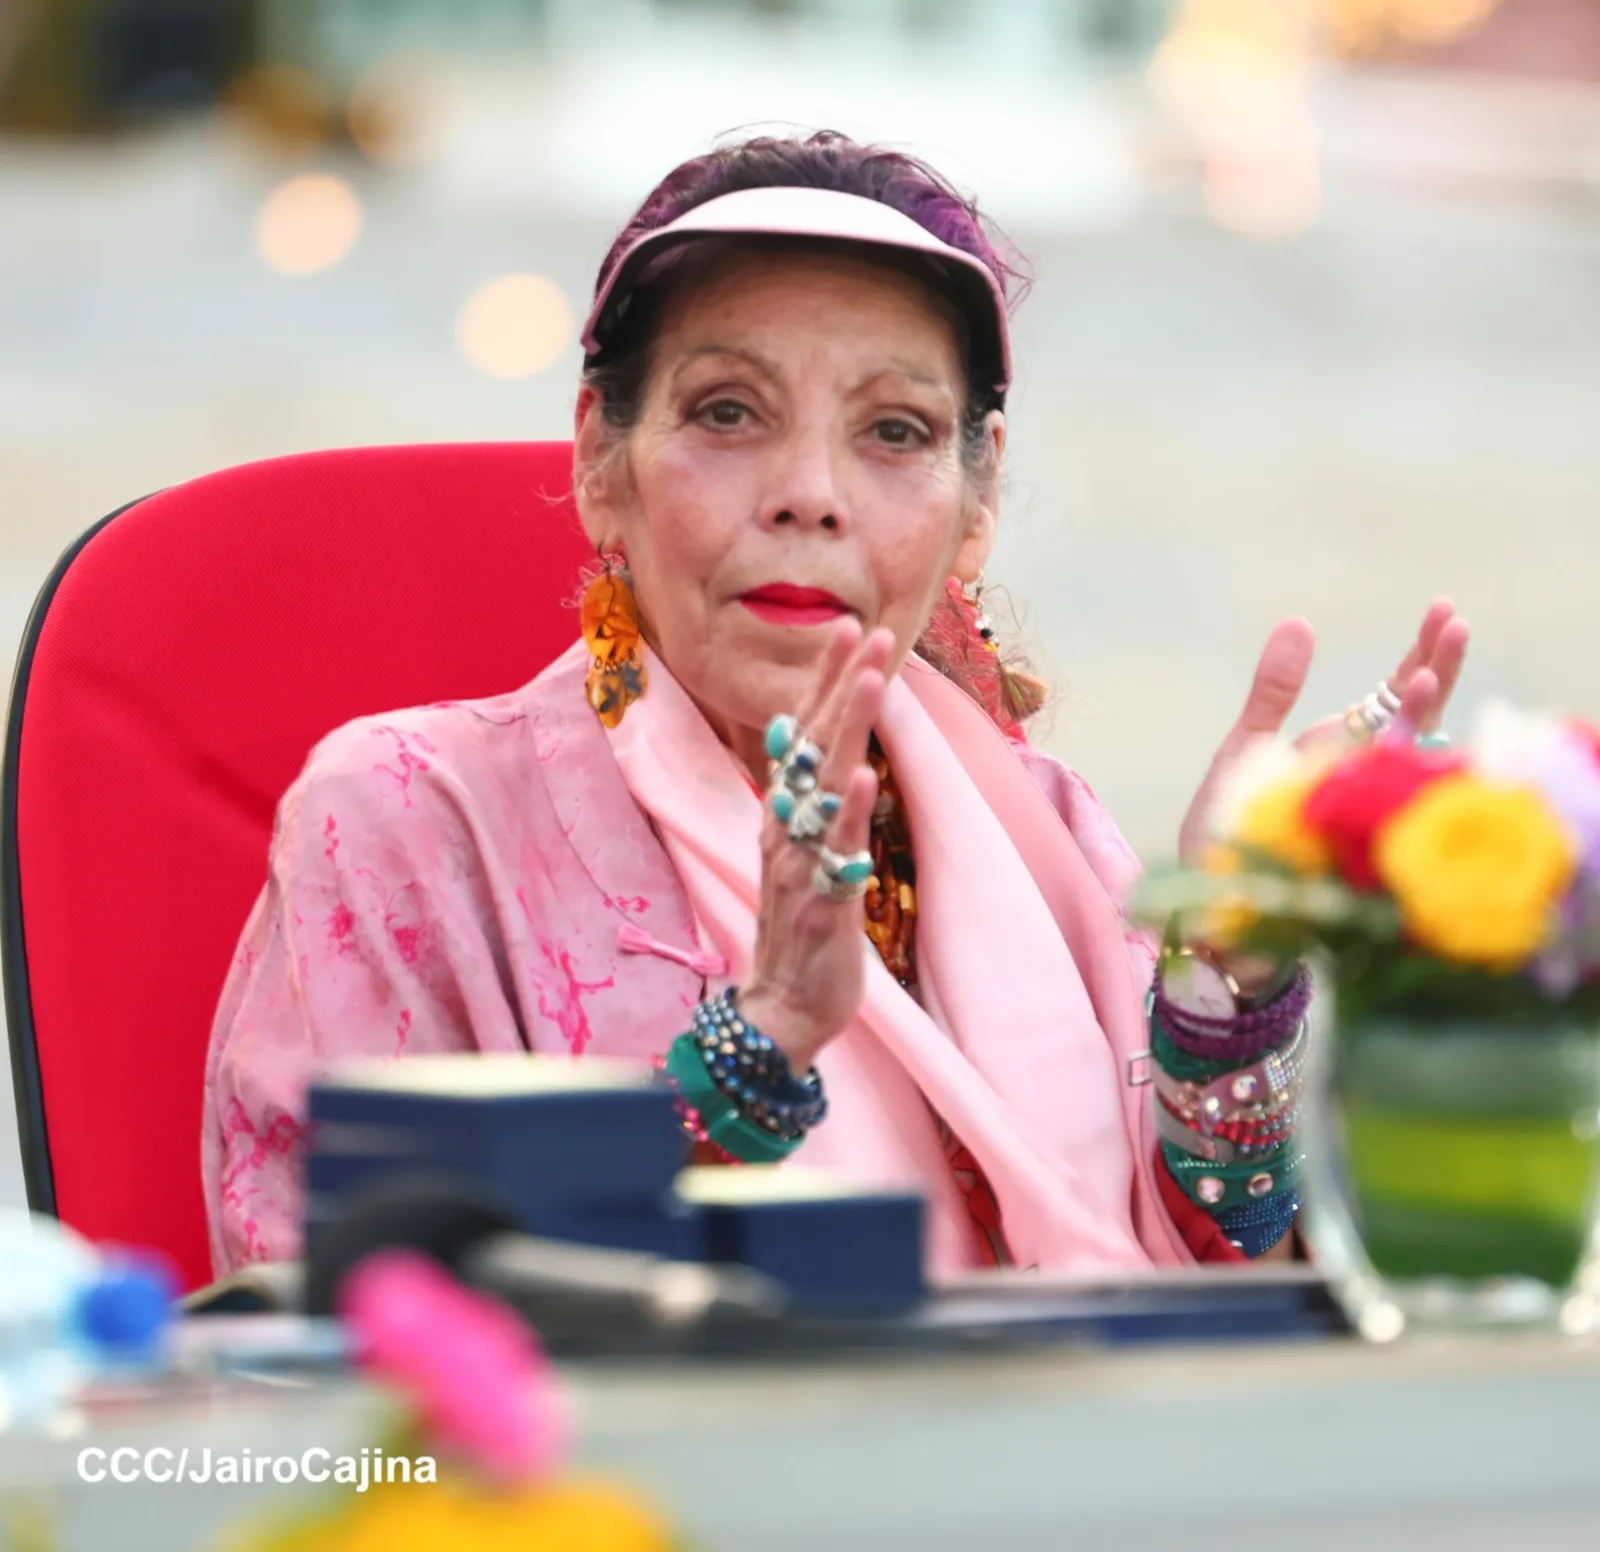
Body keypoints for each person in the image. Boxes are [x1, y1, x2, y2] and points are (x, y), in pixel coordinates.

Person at [201, 131, 1469, 1278]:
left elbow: (1226, 1267)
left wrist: (1232, 977)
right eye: (728, 413)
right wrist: (754, 1053)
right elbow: (356, 1342)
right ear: (599, 459)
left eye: (895, 432)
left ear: (976, 506)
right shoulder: (407, 820)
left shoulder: (1052, 832)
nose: (809, 492)